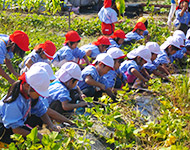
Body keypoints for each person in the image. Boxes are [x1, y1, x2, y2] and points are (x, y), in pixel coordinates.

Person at [0, 66, 60, 144]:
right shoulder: (13, 103)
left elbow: (41, 110)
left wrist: (51, 125)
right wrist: (37, 136)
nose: (39, 96)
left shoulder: (29, 94)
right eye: (38, 93)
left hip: (18, 123)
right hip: (5, 129)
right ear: (27, 86)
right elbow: (15, 129)